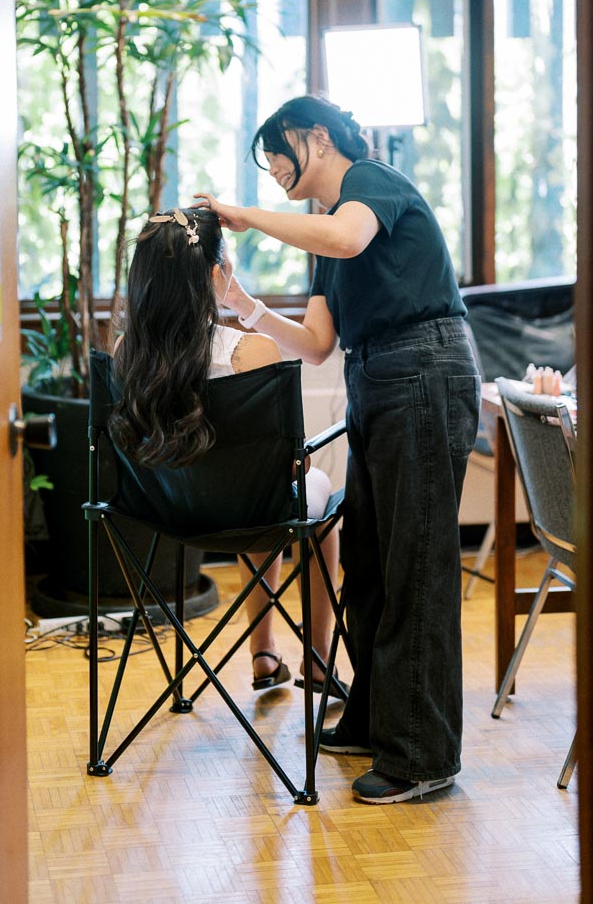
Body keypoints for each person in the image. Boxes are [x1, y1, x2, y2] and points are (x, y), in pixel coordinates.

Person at [193, 94, 481, 805]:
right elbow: (318, 344)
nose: (273, 169)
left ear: (317, 137)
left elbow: (350, 240)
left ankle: (422, 756)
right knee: (370, 564)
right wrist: (243, 305)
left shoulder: (370, 185)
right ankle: (379, 721)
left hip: (423, 369)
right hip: (374, 377)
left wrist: (244, 215)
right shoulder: (326, 230)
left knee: (415, 565)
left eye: (278, 152)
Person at [110, 205, 339, 692]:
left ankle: (264, 654)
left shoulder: (126, 351)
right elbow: (291, 465)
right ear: (217, 276)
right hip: (250, 511)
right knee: (303, 503)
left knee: (252, 492)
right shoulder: (251, 353)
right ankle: (317, 659)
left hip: (167, 513)